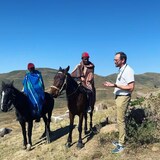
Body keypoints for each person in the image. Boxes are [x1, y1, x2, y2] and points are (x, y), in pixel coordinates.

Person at [103, 52, 135, 153]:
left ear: (123, 60)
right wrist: (113, 85)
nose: (114, 61)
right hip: (119, 97)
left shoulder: (128, 71)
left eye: (116, 60)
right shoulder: (121, 70)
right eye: (114, 59)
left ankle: (121, 144)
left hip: (123, 97)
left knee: (121, 120)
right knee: (119, 119)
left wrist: (115, 85)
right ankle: (121, 140)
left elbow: (131, 87)